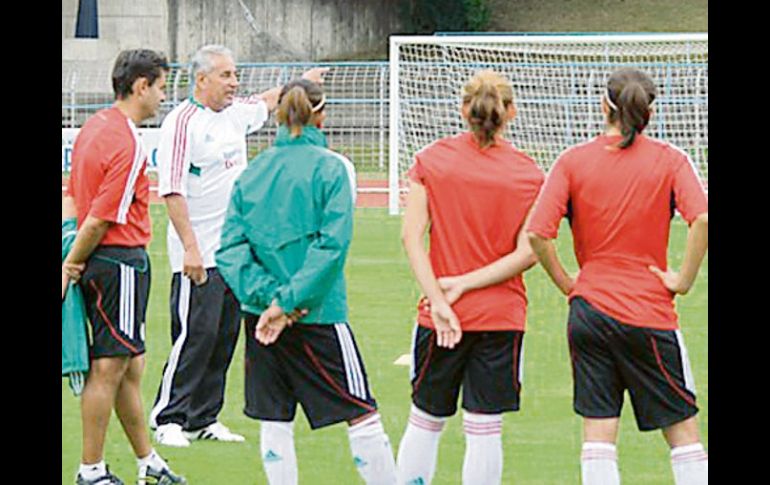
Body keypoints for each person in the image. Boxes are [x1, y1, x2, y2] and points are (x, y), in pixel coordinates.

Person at [527, 67, 708, 485]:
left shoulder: (572, 161)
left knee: (598, 432)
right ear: (650, 112)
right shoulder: (670, 160)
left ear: (603, 106)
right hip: (648, 312)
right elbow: (701, 219)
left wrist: (569, 284)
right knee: (682, 433)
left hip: (589, 312)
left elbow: (538, 233)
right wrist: (681, 279)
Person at [215, 78, 397, 485]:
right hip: (316, 312)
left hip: (261, 315)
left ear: (278, 115)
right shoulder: (333, 168)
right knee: (362, 413)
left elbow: (229, 250)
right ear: (322, 114)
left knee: (274, 416)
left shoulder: (252, 172)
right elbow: (331, 247)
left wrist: (268, 300)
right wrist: (288, 302)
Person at [149, 44, 327, 447]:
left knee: (225, 334)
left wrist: (304, 84)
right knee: (195, 334)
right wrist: (190, 249)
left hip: (235, 254)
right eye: (226, 75)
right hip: (197, 253)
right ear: (201, 79)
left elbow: (268, 101)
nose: (235, 82)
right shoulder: (182, 123)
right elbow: (172, 190)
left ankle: (203, 417)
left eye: (235, 74)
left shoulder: (236, 113)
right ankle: (169, 416)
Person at [396, 70, 544, 485]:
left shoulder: (432, 160)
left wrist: (442, 300)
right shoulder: (529, 174)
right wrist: (468, 284)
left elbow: (411, 238)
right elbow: (528, 252)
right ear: (510, 112)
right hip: (501, 316)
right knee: (484, 429)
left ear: (463, 109)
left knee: (425, 421)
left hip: (440, 314)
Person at [62, 49, 186, 485]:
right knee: (110, 367)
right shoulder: (128, 141)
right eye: (161, 88)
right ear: (141, 86)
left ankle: (147, 459)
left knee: (130, 364)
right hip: (120, 262)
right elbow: (99, 217)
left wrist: (72, 255)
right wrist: (71, 263)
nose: (162, 98)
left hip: (105, 261)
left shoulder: (92, 128)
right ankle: (91, 470)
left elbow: (73, 196)